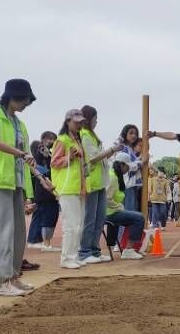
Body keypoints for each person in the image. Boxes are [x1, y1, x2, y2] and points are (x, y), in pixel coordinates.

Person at [0, 79, 39, 297]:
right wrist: (20, 153)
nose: (25, 105)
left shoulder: (20, 124)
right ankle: (1, 281)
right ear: (12, 97)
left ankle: (12, 276)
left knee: (17, 233)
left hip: (16, 182)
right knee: (1, 232)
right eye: (24, 100)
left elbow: (26, 154)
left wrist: (31, 186)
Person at [50, 109, 88, 269]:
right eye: (76, 122)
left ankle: (73, 256)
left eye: (81, 122)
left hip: (78, 187)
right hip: (67, 187)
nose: (79, 125)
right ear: (67, 122)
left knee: (77, 225)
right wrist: (69, 158)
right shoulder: (62, 140)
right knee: (72, 225)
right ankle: (67, 258)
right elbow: (54, 162)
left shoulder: (77, 140)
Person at [78, 105, 116, 264]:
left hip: (100, 183)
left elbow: (99, 157)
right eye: (95, 118)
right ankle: (84, 252)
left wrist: (110, 152)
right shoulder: (84, 134)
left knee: (99, 218)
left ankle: (95, 250)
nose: (96, 121)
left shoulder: (92, 135)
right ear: (88, 119)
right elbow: (93, 158)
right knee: (90, 219)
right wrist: (111, 150)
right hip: (91, 183)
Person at [106, 153, 146, 260]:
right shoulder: (112, 177)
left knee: (133, 217)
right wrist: (118, 207)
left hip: (111, 211)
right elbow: (106, 199)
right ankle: (128, 250)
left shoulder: (114, 175)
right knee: (139, 218)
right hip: (110, 213)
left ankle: (120, 246)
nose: (128, 169)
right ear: (122, 165)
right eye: (127, 166)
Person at [26, 132, 59, 251]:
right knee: (45, 216)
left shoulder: (47, 155)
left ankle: (35, 240)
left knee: (41, 215)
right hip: (44, 189)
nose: (53, 143)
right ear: (44, 139)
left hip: (44, 189)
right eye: (51, 140)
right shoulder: (39, 150)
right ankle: (40, 242)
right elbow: (39, 167)